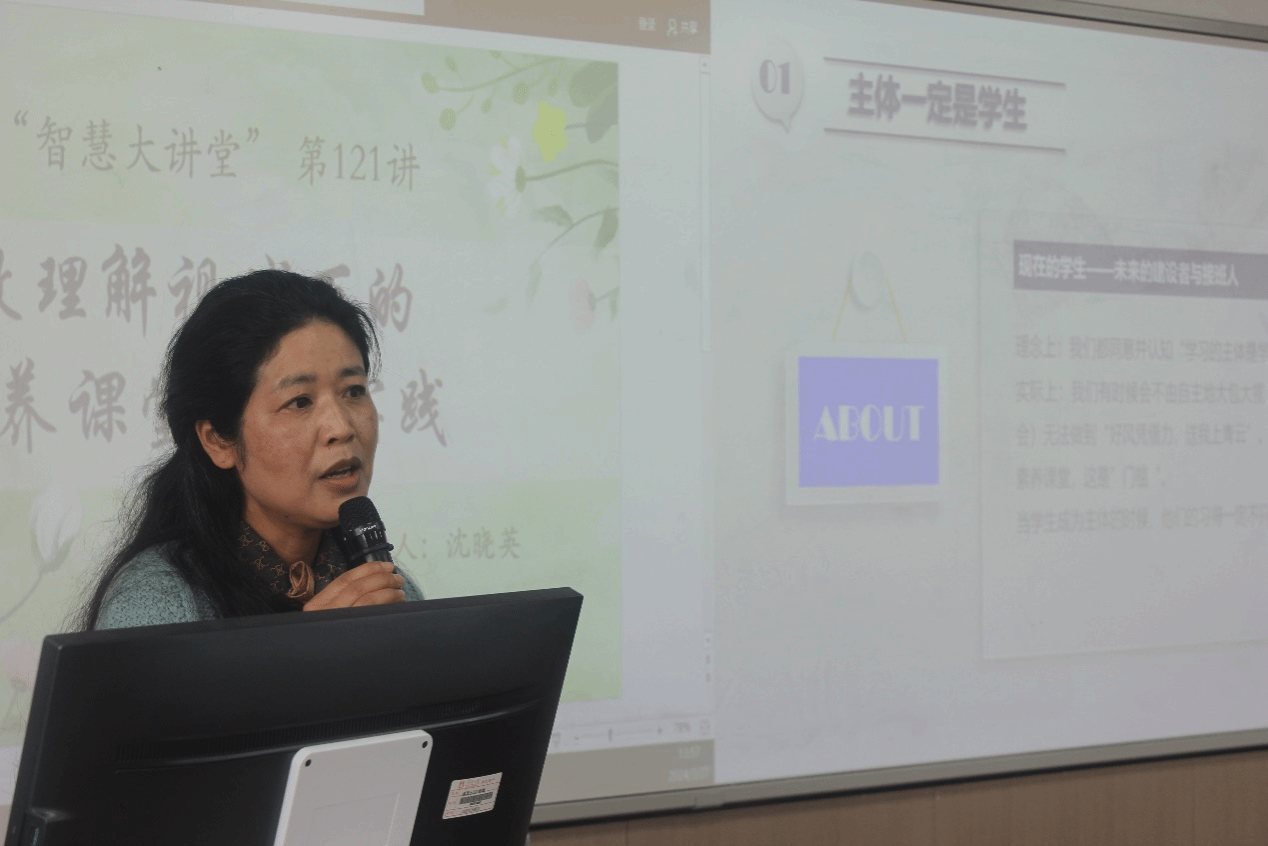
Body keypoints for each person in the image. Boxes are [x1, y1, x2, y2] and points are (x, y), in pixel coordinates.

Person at [73, 269, 423, 630]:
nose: (342, 428)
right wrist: (310, 651)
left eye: (354, 391)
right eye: (299, 402)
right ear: (218, 440)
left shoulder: (388, 590)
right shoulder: (157, 601)